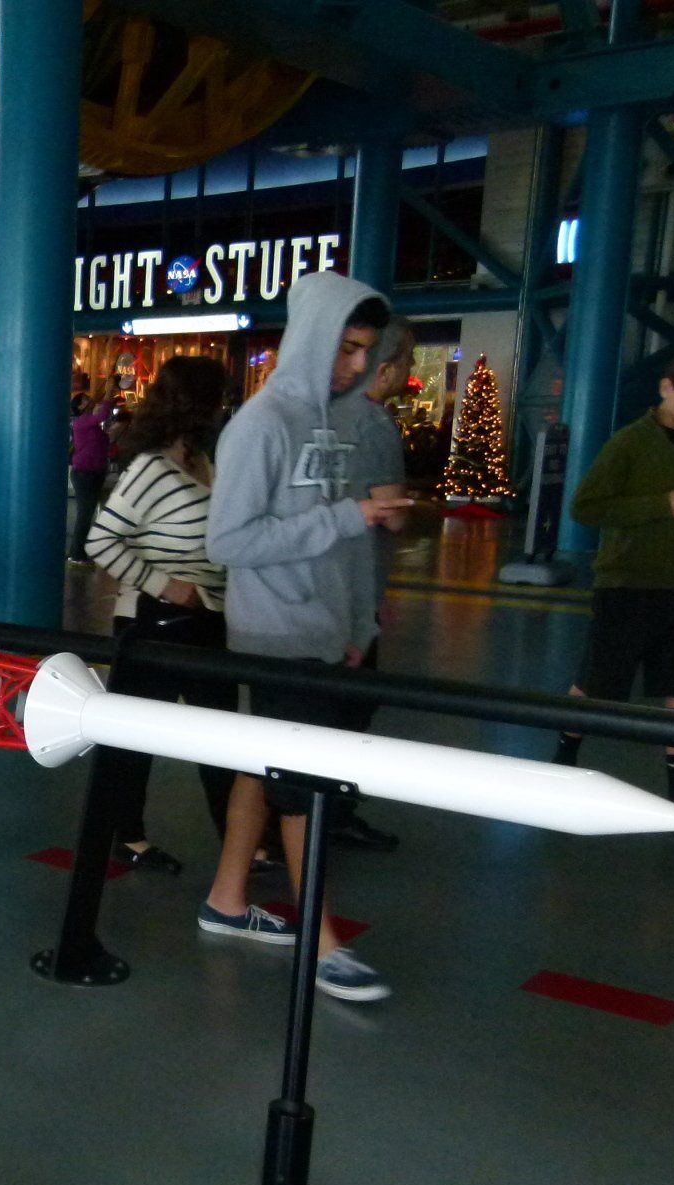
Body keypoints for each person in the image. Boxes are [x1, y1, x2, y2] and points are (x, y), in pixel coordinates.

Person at [200, 271, 409, 1004]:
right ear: (314, 337)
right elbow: (228, 540)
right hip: (277, 632)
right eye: (346, 347)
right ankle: (320, 945)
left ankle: (228, 898)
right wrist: (351, 516)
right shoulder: (262, 424)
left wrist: (358, 623)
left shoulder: (348, 423)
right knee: (305, 790)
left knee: (264, 769)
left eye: (366, 352)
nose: (355, 365)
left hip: (330, 632)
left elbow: (351, 547)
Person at [553, 343, 674, 822]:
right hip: (627, 584)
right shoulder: (629, 443)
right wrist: (661, 505)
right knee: (596, 681)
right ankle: (561, 763)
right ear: (666, 388)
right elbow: (585, 508)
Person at [82, 355, 234, 874]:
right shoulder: (151, 467)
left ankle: (242, 841)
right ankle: (128, 835)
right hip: (154, 621)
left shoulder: (202, 462)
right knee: (137, 738)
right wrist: (167, 585)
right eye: (215, 400)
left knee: (222, 737)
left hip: (209, 619)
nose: (221, 410)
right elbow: (100, 539)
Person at [321, 318, 417, 853]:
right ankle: (331, 810)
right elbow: (395, 514)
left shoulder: (314, 415)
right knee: (352, 709)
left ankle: (293, 812)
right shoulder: (375, 424)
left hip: (308, 585)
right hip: (356, 591)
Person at [68, 382, 115, 563]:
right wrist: (109, 394)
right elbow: (103, 414)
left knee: (87, 513)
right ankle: (77, 553)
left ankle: (80, 551)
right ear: (80, 406)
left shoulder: (89, 425)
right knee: (85, 514)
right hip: (85, 473)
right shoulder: (83, 421)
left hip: (93, 472)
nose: (90, 401)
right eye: (86, 400)